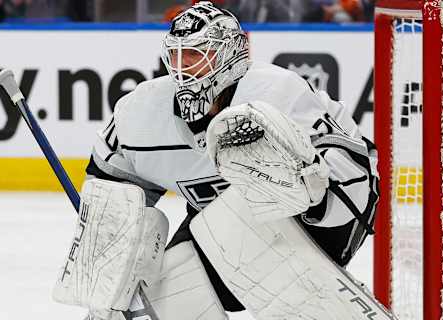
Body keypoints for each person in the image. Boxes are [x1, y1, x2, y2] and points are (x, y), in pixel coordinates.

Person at [53, 2, 390, 320]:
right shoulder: (138, 112)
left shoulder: (276, 93)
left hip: (334, 215)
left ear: (229, 57)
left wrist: (309, 189)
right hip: (224, 224)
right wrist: (113, 271)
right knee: (170, 290)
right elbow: (110, 194)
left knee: (244, 214)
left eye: (197, 56)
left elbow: (349, 173)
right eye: (178, 57)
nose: (184, 69)